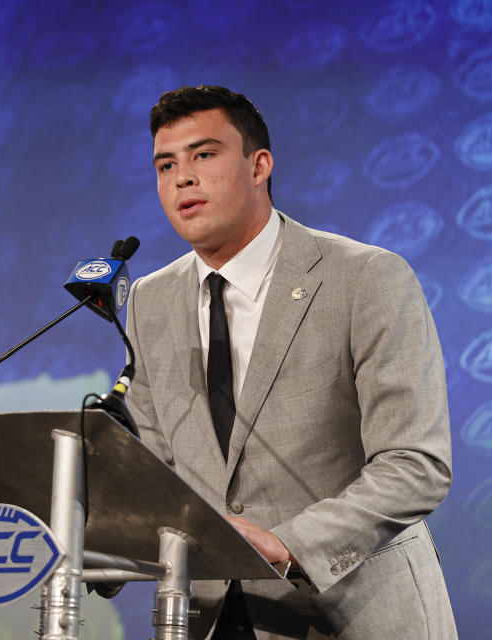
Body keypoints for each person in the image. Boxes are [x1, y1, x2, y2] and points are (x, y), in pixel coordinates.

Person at [124, 85, 457, 639]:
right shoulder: (150, 299)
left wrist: (290, 543)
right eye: (166, 164)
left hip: (354, 612)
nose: (182, 177)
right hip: (211, 618)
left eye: (204, 155)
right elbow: (153, 464)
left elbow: (415, 463)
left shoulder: (366, 277)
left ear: (259, 166)